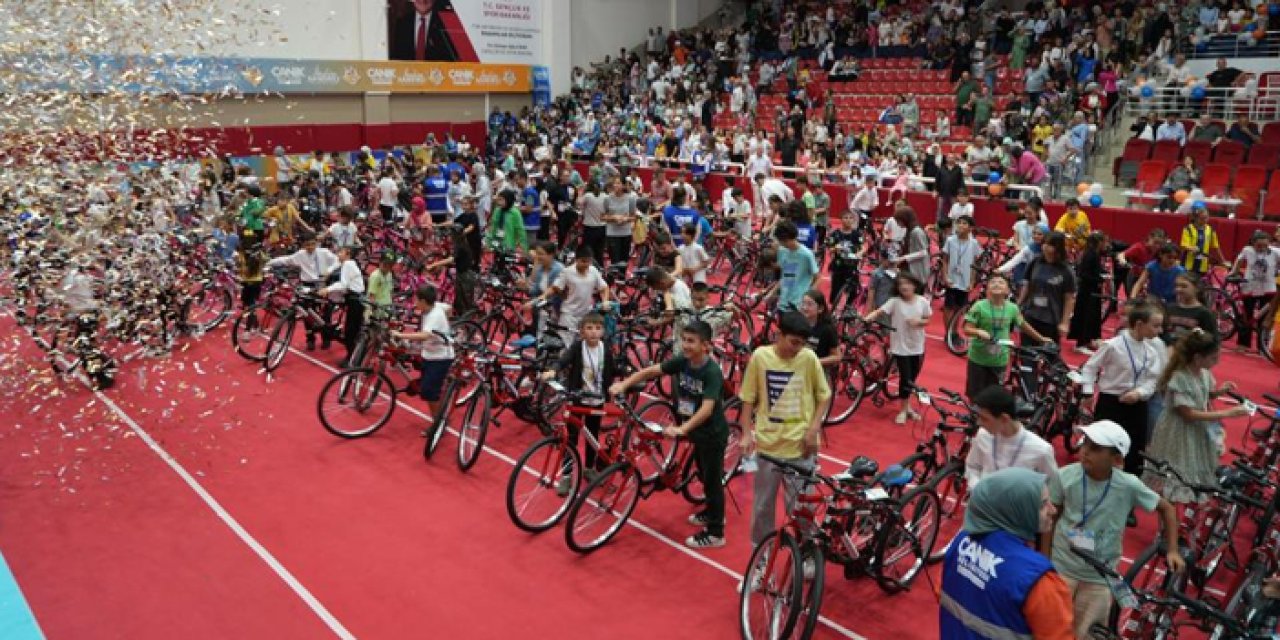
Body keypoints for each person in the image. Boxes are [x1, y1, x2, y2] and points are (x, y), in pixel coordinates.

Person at [1045, 421, 1184, 639]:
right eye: (1085, 444)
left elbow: (1167, 508)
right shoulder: (1065, 476)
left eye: (1096, 448)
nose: (1085, 451)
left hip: (1100, 575)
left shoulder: (1128, 485)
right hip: (1062, 567)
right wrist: (1044, 559)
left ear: (1117, 459)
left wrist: (1173, 549)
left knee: (1087, 632)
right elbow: (1051, 518)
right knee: (1049, 627)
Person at [611, 320, 731, 549]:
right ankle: (711, 511)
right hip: (695, 431)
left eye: (691, 341)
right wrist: (624, 384)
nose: (685, 345)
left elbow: (707, 409)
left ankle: (716, 532)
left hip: (711, 434)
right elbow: (652, 370)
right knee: (703, 473)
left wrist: (683, 429)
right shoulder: (683, 361)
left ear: (706, 346)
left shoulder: (712, 372)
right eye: (683, 340)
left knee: (712, 481)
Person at [939, 467, 1074, 640]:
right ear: (1016, 511)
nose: (1053, 510)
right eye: (1042, 505)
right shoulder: (1038, 580)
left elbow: (942, 592)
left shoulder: (961, 541)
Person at [739, 311, 831, 547]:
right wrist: (746, 433)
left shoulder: (808, 358)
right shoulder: (760, 357)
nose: (797, 349)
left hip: (801, 447)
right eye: (793, 342)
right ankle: (761, 554)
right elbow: (748, 397)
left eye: (802, 344)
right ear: (779, 334)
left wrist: (813, 429)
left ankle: (807, 551)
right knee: (762, 507)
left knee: (803, 508)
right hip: (768, 447)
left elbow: (824, 396)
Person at [1144, 329, 1249, 503]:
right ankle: (1169, 511)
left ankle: (1181, 508)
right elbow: (1188, 414)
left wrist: (1219, 392)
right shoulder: (1180, 378)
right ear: (1198, 358)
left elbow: (1202, 394)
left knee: (1192, 468)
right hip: (1178, 430)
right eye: (1213, 358)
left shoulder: (1204, 373)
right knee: (1177, 470)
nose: (1217, 361)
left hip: (1197, 428)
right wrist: (1228, 413)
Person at [1079, 302, 1167, 477]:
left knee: (1135, 451)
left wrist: (1139, 393)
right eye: (1155, 326)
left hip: (1137, 406)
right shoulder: (1113, 345)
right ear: (1139, 324)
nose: (1160, 331)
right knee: (1104, 447)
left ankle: (1129, 483)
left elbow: (1152, 380)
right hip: (1111, 404)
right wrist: (1087, 392)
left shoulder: (1151, 350)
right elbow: (1090, 368)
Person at [542, 313, 617, 492]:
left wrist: (623, 380)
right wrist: (553, 370)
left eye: (597, 328)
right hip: (578, 399)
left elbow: (612, 371)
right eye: (589, 328)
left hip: (596, 400)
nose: (593, 332)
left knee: (592, 436)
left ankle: (589, 469)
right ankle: (567, 476)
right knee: (571, 438)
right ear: (582, 331)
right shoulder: (577, 347)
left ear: (603, 331)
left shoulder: (606, 349)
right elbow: (563, 360)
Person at [963, 274, 1048, 399]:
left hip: (1000, 359)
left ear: (1007, 290)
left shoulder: (1012, 308)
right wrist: (978, 332)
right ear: (987, 289)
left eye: (1001, 282)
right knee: (975, 394)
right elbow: (966, 329)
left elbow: (1023, 324)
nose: (997, 284)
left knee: (994, 395)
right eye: (993, 282)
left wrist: (1041, 338)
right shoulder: (979, 306)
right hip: (978, 359)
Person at [863, 273, 932, 424]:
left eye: (907, 283)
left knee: (912, 378)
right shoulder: (895, 302)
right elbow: (880, 311)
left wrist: (919, 322)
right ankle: (903, 409)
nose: (904, 287)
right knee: (906, 378)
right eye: (901, 284)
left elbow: (928, 319)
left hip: (917, 345)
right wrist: (868, 317)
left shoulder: (922, 301)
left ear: (914, 285)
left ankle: (908, 408)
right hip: (900, 346)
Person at [965, 386, 1059, 488]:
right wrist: (977, 487)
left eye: (985, 419)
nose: (979, 422)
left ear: (1004, 418)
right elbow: (972, 466)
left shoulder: (1041, 450)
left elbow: (1053, 486)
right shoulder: (983, 435)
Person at [390, 285, 454, 427]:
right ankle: (438, 417)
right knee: (428, 390)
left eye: (417, 300)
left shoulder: (434, 316)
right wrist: (447, 326)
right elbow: (449, 308)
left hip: (440, 357)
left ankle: (439, 423)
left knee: (429, 392)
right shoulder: (436, 305)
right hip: (429, 353)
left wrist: (401, 335)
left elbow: (425, 335)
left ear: (424, 301)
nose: (415, 303)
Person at [267, 234, 339, 350]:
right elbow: (286, 260)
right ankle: (310, 339)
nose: (310, 247)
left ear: (316, 243)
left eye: (312, 244)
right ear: (303, 245)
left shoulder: (324, 252)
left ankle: (326, 338)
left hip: (322, 284)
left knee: (325, 313)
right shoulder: (300, 254)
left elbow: (337, 261)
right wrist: (269, 262)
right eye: (307, 245)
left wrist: (329, 270)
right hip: (307, 285)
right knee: (307, 313)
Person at [538, 246, 612, 343]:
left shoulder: (593, 270)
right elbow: (555, 288)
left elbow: (604, 288)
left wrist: (605, 301)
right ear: (576, 260)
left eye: (589, 262)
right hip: (569, 315)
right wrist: (543, 296)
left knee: (587, 344)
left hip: (586, 314)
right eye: (583, 261)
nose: (586, 264)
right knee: (566, 345)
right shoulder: (567, 272)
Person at [1017, 231, 1077, 345]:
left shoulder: (1066, 271)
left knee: (1048, 352)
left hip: (1051, 319)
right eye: (1044, 243)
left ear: (1058, 248)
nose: (1045, 247)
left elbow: (1069, 298)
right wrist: (1018, 305)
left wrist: (1065, 323)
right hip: (1030, 315)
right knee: (1026, 351)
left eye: (1050, 244)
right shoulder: (1035, 262)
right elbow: (1027, 286)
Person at [1228, 230, 1280, 350]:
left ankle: (1262, 346)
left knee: (1264, 317)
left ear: (1269, 243)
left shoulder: (1276, 252)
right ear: (1252, 243)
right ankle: (1243, 344)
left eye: (1265, 245)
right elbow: (1239, 261)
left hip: (1268, 288)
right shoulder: (1247, 250)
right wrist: (1234, 273)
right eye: (1258, 246)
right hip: (1250, 287)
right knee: (1247, 316)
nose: (1262, 248)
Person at [318, 244, 366, 367]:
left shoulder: (348, 264)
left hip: (355, 300)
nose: (338, 254)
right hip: (354, 298)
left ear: (348, 254)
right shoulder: (348, 263)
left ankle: (351, 359)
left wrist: (327, 289)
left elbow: (343, 284)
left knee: (350, 332)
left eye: (341, 252)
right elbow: (335, 265)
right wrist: (328, 272)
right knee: (351, 329)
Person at [762, 220, 818, 313]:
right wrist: (771, 293)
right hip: (784, 301)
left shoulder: (807, 254)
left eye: (782, 241)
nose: (781, 244)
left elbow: (817, 277)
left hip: (799, 303)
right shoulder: (783, 251)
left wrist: (809, 296)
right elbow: (787, 276)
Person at [941, 215, 982, 336]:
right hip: (952, 279)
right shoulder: (950, 240)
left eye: (964, 223)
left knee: (959, 308)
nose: (960, 225)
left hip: (965, 281)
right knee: (948, 307)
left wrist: (972, 281)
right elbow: (945, 260)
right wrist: (945, 276)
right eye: (959, 223)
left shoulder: (974, 243)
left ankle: (954, 332)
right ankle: (948, 333)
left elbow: (975, 264)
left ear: (970, 228)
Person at [1067, 232, 1107, 354]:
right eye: (1104, 241)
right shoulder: (1090, 255)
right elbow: (1084, 274)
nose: (1106, 244)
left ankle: (1088, 340)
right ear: (1099, 242)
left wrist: (1102, 274)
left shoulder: (1095, 254)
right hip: (1087, 292)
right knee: (1085, 317)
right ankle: (1080, 343)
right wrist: (1099, 279)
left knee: (1092, 317)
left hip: (1092, 291)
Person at [391, 0, 462, 62]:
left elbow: (451, 57)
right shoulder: (402, 24)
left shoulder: (445, 23)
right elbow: (397, 57)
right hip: (408, 72)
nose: (423, 0)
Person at [1162, 273, 1218, 345]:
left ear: (1197, 288)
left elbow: (1213, 340)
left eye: (1184, 286)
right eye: (1176, 286)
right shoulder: (1169, 308)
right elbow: (1162, 332)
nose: (1178, 289)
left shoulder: (1204, 313)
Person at [826, 209, 865, 314]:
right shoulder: (835, 234)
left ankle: (848, 309)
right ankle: (834, 309)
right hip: (838, 265)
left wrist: (860, 253)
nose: (848, 220)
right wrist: (835, 248)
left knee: (852, 290)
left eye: (850, 218)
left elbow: (863, 247)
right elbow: (829, 248)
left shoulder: (857, 234)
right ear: (841, 219)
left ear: (853, 220)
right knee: (835, 288)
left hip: (852, 266)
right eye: (845, 217)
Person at [1179, 206, 1225, 277]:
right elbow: (1183, 245)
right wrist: (1191, 248)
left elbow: (1216, 247)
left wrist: (1223, 261)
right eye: (1202, 218)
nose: (1205, 220)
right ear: (1196, 218)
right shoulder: (1188, 229)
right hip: (1188, 266)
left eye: (1206, 217)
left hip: (1203, 266)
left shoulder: (1211, 230)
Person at [485, 189, 528, 255]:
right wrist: (488, 242)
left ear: (508, 200)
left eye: (501, 200)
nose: (499, 202)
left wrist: (522, 247)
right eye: (498, 200)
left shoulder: (515, 213)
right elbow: (493, 227)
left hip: (509, 245)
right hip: (496, 243)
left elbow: (520, 230)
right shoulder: (497, 210)